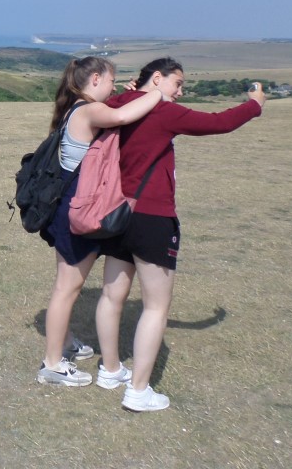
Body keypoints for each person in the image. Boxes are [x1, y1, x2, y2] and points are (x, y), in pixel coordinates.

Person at [94, 57, 266, 411]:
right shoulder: (162, 112)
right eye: (178, 83)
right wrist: (255, 105)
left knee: (112, 296)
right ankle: (138, 391)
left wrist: (132, 92)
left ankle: (110, 370)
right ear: (157, 78)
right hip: (152, 217)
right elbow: (219, 122)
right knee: (156, 307)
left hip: (116, 213)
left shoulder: (116, 104)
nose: (181, 91)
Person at [36, 56, 167, 387]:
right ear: (95, 79)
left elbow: (117, 111)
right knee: (67, 288)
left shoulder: (77, 108)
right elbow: (121, 116)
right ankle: (52, 364)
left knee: (67, 286)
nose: (113, 86)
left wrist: (133, 94)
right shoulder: (89, 110)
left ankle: (64, 343)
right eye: (111, 80)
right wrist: (156, 92)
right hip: (78, 209)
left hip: (71, 206)